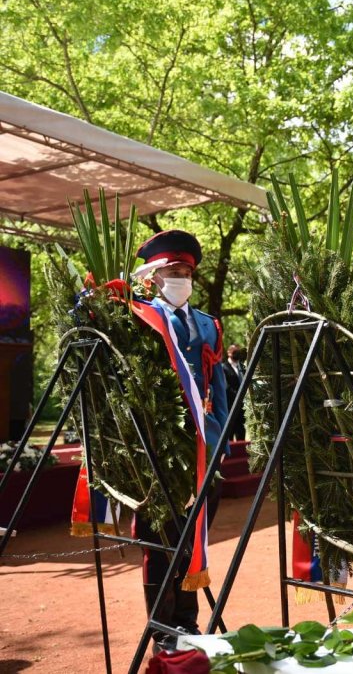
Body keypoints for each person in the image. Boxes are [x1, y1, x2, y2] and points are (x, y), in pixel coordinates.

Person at [134, 229, 228, 645]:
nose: (181, 279)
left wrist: (219, 443)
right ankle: (163, 628)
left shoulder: (209, 324)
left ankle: (187, 622)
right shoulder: (140, 317)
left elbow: (218, 390)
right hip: (160, 451)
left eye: (186, 272)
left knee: (194, 539)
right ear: (154, 276)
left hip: (203, 450)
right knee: (160, 543)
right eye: (173, 272)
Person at [222, 344, 248, 441]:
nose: (236, 354)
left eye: (238, 352)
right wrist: (238, 395)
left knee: (241, 430)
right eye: (234, 352)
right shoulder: (224, 368)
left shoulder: (241, 367)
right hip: (230, 405)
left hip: (241, 406)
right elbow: (226, 386)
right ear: (229, 353)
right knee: (230, 431)